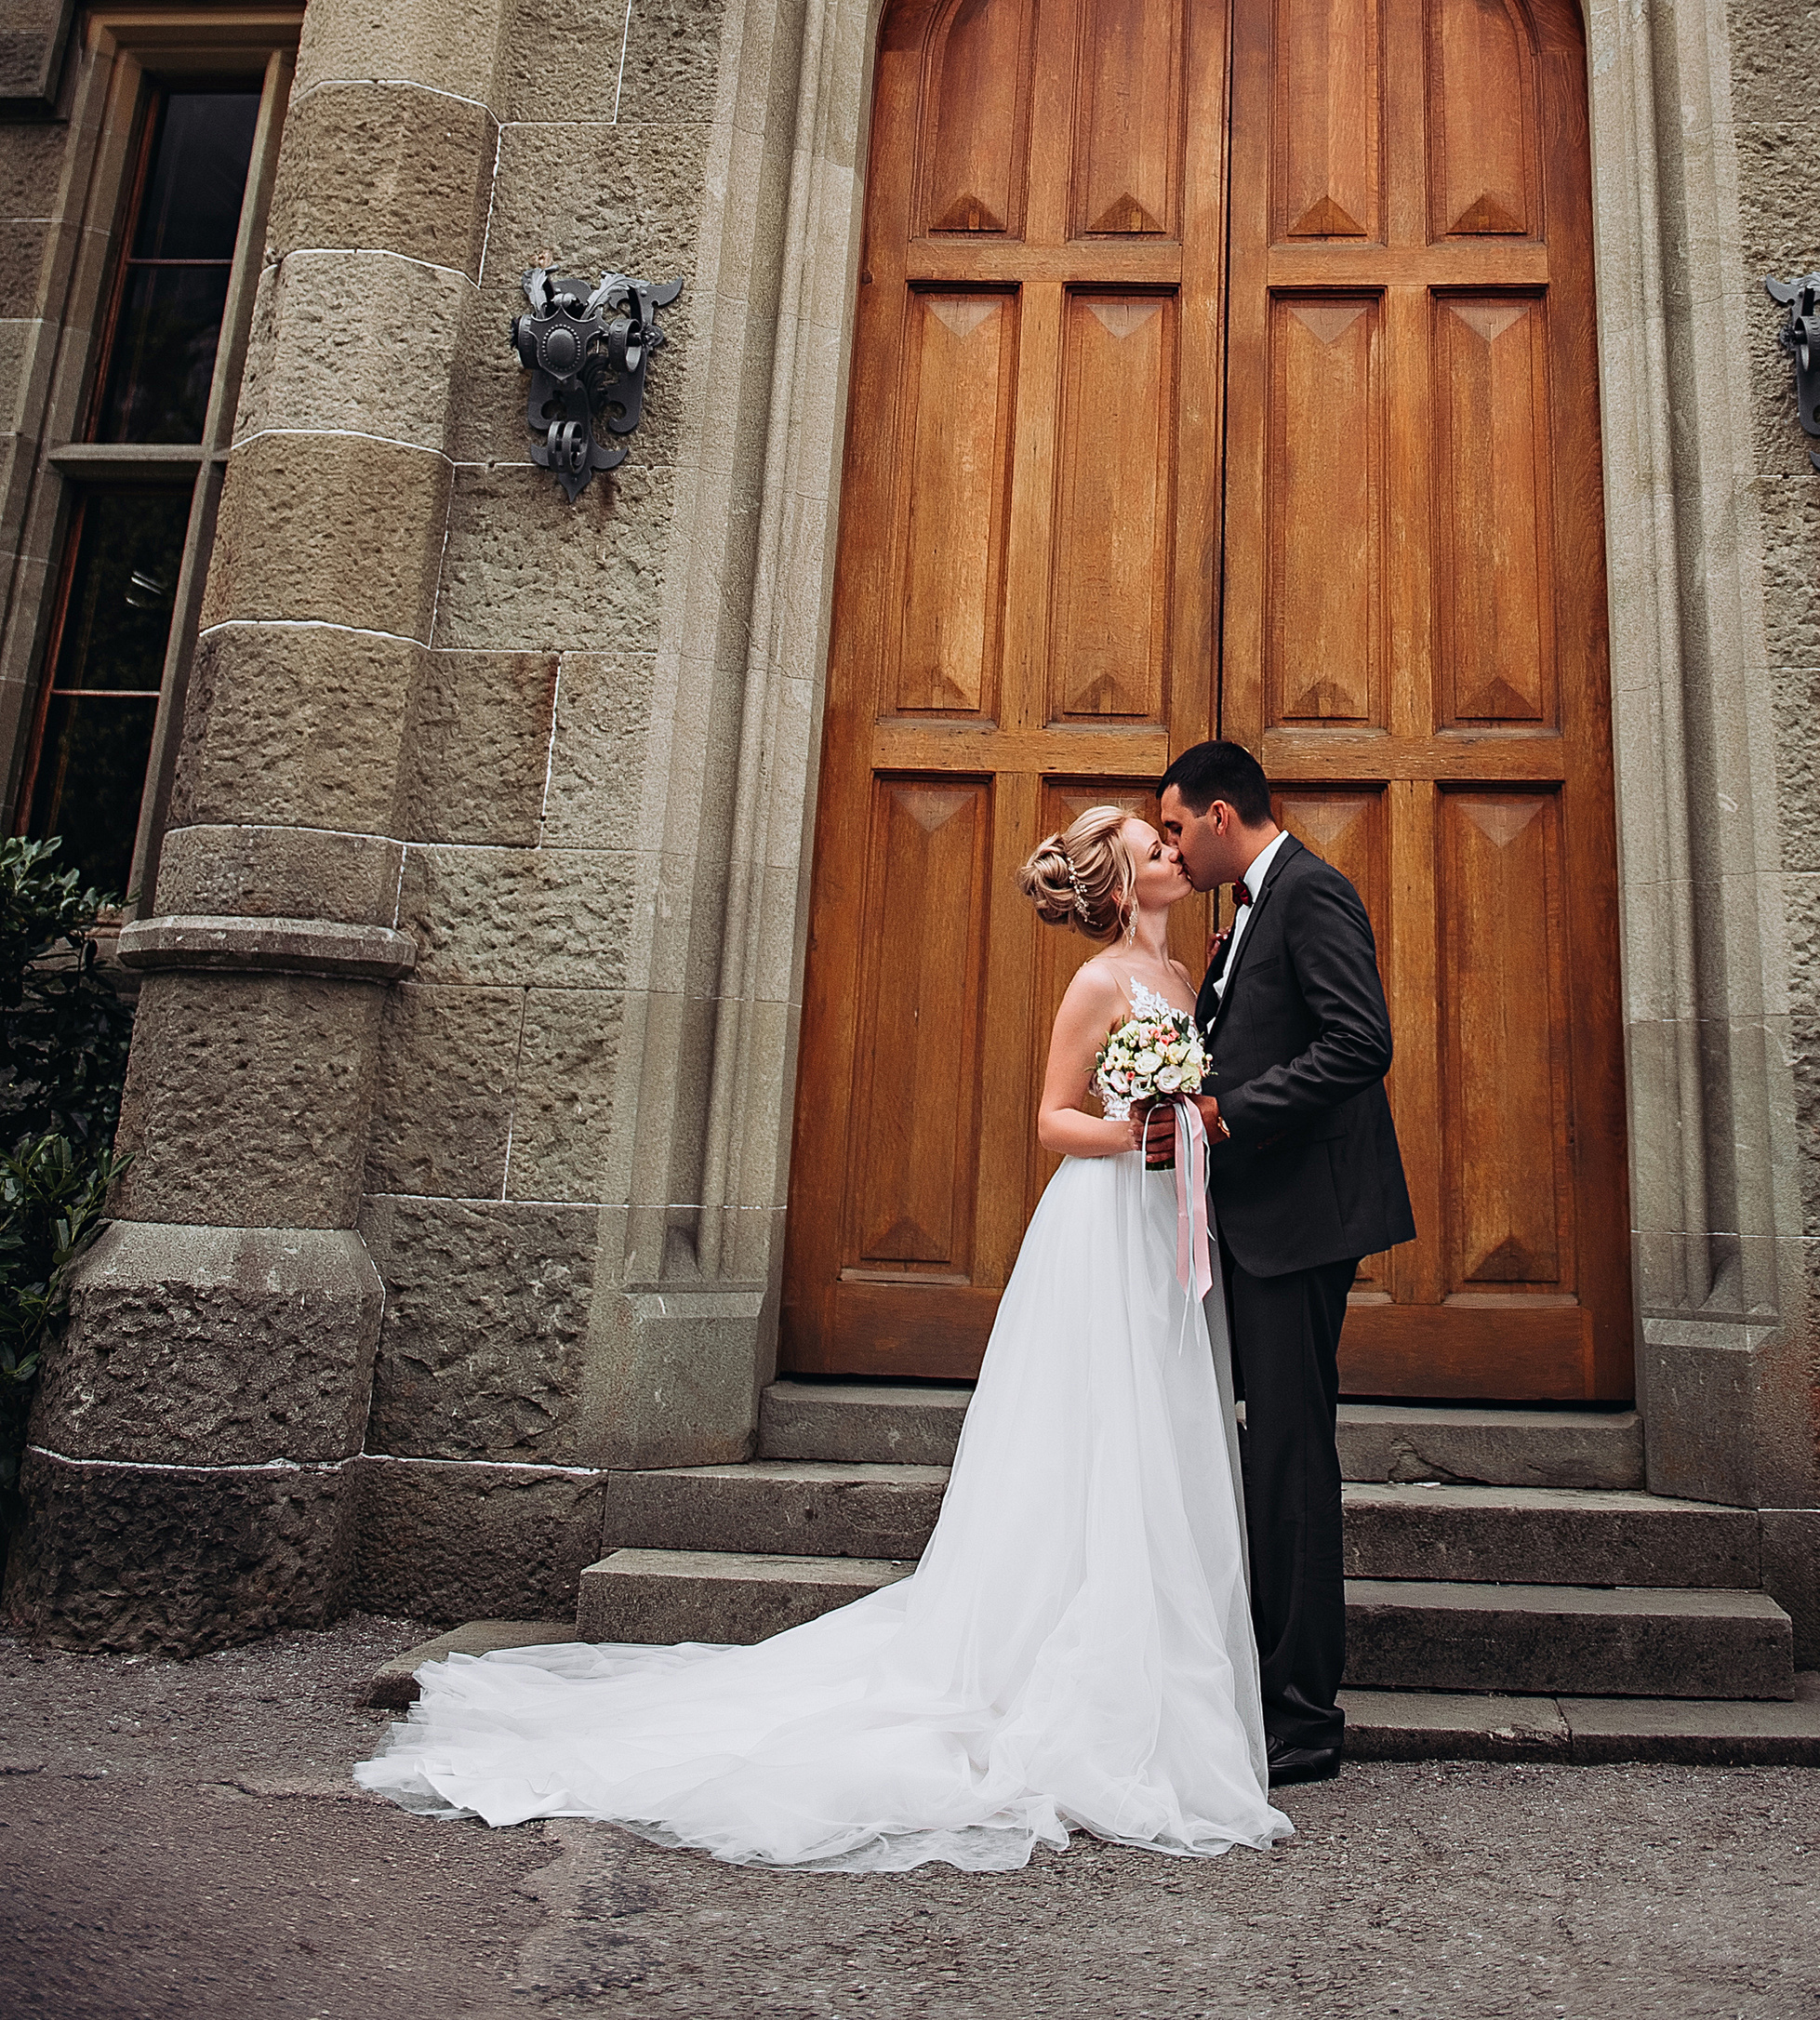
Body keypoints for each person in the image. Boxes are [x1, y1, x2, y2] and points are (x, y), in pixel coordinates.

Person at [354, 807, 1291, 1875]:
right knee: (1097, 1429)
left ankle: (1156, 1661)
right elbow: (1050, 1118)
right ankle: (1067, 1668)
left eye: (1170, 837)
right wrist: (1145, 1128)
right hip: (1104, 1221)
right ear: (1121, 882)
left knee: (1156, 1428)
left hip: (1163, 1223)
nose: (1174, 848)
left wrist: (1187, 1124)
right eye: (1152, 843)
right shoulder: (1099, 982)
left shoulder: (1183, 975)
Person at [1154, 741, 1415, 1787]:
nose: (1173, 847)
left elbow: (1361, 1041)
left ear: (1221, 815)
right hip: (1257, 1220)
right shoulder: (1251, 909)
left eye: (1176, 828)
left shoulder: (1312, 892)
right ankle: (1258, 1684)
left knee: (1293, 1458)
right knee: (1269, 1454)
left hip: (1301, 1223)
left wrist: (1227, 1113)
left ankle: (1302, 1715)